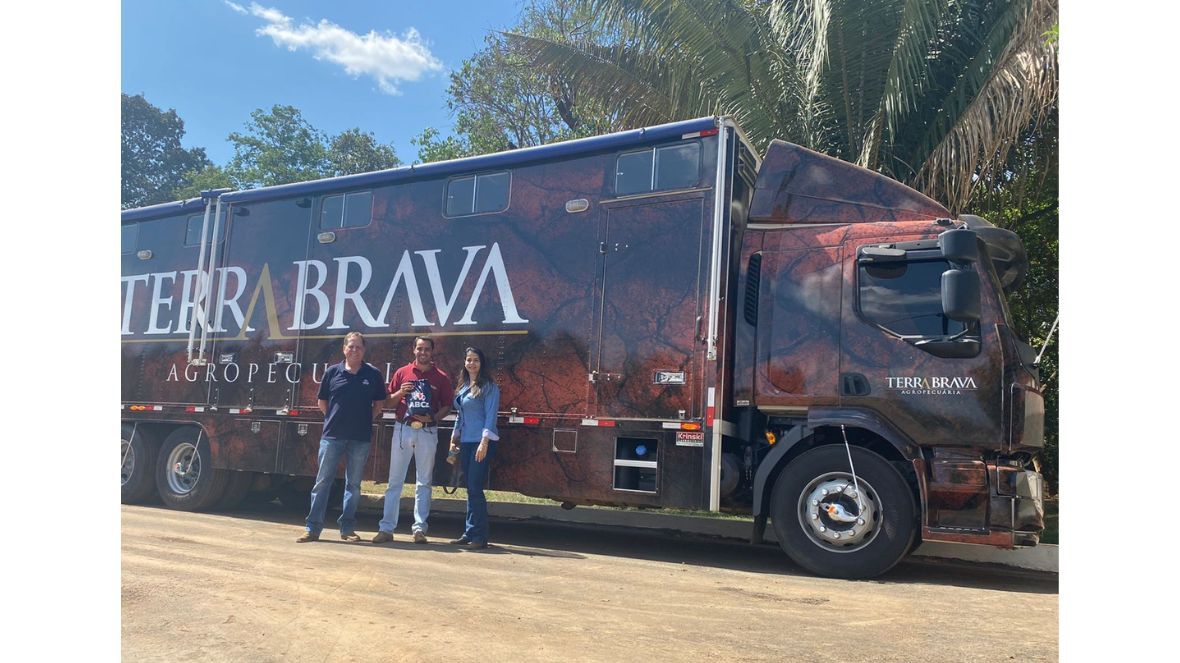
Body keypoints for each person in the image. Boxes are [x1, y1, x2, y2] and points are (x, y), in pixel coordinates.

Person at [298, 331, 388, 543]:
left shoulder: (372, 374)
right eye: (351, 346)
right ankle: (312, 528)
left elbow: (379, 405)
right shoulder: (332, 372)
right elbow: (323, 402)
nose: (354, 350)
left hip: (360, 438)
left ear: (364, 350)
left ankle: (347, 529)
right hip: (332, 437)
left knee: (354, 486)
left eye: (358, 347)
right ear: (344, 349)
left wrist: (364, 420)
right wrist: (334, 419)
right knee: (322, 483)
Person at [372, 336, 453, 544]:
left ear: (432, 352)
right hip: (403, 429)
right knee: (394, 481)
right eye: (419, 348)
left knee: (424, 482)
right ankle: (386, 528)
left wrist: (434, 418)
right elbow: (388, 402)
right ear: (413, 350)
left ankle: (419, 529)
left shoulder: (441, 377)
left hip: (427, 431)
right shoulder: (402, 373)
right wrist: (401, 391)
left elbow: (447, 405)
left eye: (427, 349)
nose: (423, 352)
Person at [448, 347, 500, 550]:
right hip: (467, 442)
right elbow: (460, 414)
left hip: (481, 443)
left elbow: (491, 416)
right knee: (470, 488)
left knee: (476, 488)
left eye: (476, 360)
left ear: (482, 363)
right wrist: (455, 436)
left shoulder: (489, 387)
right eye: (468, 360)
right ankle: (469, 532)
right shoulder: (463, 387)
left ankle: (480, 536)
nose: (471, 363)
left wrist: (484, 442)